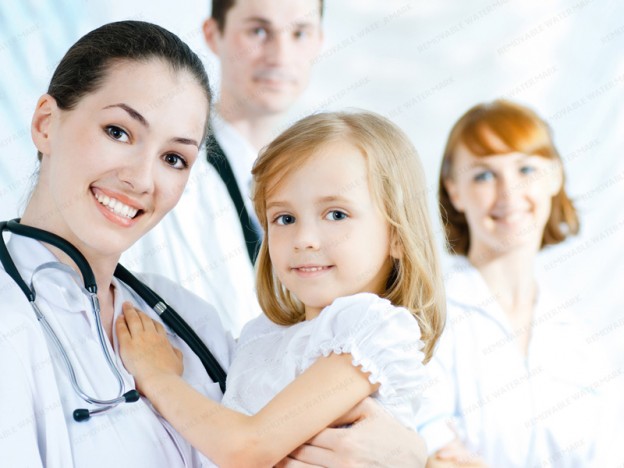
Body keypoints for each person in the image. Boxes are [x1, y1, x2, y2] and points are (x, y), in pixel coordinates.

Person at [0, 20, 427, 468]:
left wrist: (411, 456)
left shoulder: (184, 319)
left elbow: (260, 435)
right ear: (45, 123)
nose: (142, 179)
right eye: (118, 132)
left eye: (174, 158)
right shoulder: (11, 318)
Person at [117, 110, 445, 467]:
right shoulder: (263, 336)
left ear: (397, 236)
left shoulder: (369, 328)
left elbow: (247, 448)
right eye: (284, 218)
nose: (304, 239)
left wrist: (158, 376)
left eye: (336, 214)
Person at [416, 100, 605, 467]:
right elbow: (429, 448)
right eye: (484, 175)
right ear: (455, 191)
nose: (509, 193)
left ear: (554, 177)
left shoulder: (580, 333)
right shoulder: (425, 316)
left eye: (526, 169)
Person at [122, 0, 324, 336]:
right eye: (258, 31)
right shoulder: (165, 174)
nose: (280, 55)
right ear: (213, 34)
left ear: (319, 41)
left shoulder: (325, 181)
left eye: (300, 33)